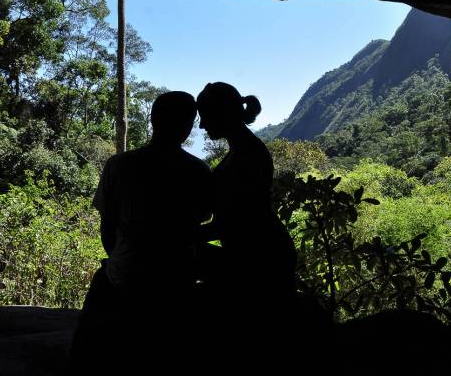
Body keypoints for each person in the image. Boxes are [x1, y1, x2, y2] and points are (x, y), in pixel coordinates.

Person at [69, 91, 211, 374]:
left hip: (125, 273)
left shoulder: (118, 166)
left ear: (153, 120)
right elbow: (199, 223)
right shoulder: (198, 171)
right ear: (187, 126)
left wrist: (125, 259)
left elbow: (107, 230)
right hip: (175, 279)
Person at [195, 82, 297, 371]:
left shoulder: (246, 156)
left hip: (258, 260)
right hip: (261, 253)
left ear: (222, 113)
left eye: (205, 115)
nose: (202, 125)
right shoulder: (244, 149)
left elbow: (236, 222)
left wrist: (181, 234)